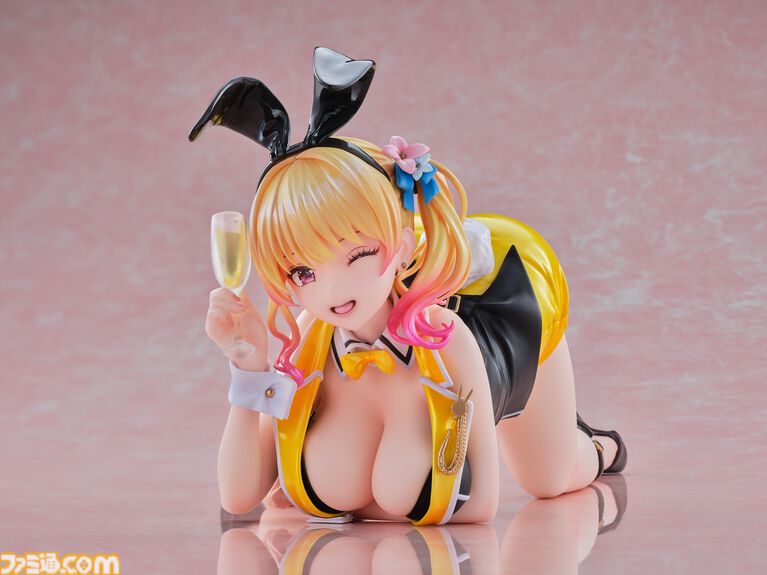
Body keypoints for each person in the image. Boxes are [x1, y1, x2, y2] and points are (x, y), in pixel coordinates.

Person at [191, 47, 627, 525]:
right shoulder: (308, 345)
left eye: (357, 255)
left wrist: (350, 509)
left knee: (550, 477)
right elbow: (238, 498)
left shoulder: (447, 340)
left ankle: (599, 446)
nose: (332, 289)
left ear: (400, 247)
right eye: (303, 272)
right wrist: (248, 368)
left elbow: (480, 505)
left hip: (507, 299)